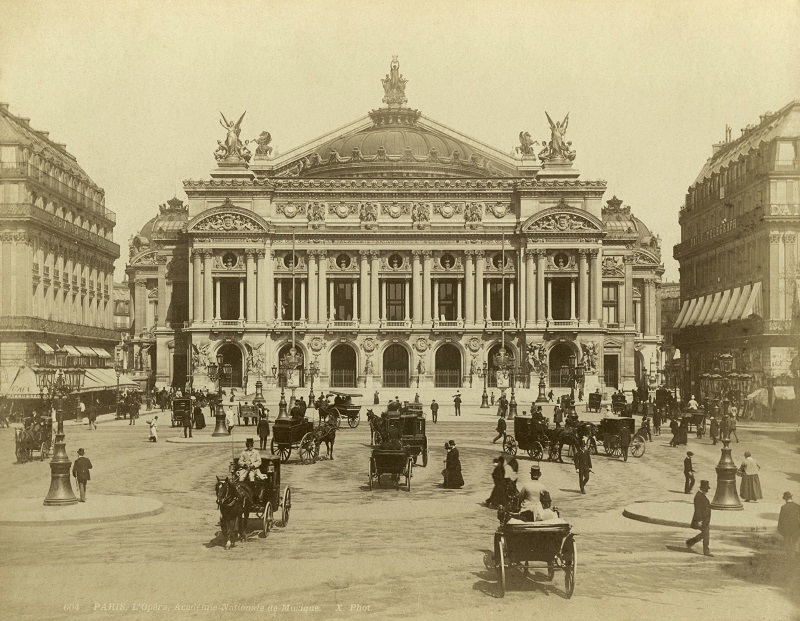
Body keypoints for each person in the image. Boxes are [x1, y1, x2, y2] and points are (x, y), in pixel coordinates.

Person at [686, 480, 713, 556]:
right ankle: (706, 551)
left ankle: (691, 542)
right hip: (702, 519)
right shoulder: (698, 497)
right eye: (706, 489)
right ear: (703, 488)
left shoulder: (701, 495)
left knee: (705, 533)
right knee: (706, 534)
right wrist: (699, 520)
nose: (707, 491)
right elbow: (698, 509)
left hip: (705, 519)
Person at [778, 491, 800, 561]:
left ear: (785, 499)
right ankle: (796, 556)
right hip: (796, 528)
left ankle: (789, 558)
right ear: (791, 497)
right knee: (795, 542)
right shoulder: (797, 506)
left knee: (787, 543)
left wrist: (779, 528)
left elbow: (781, 520)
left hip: (787, 529)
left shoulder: (784, 507)